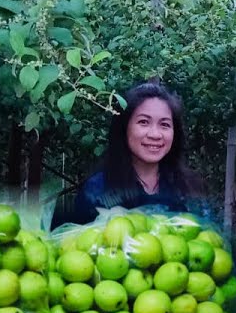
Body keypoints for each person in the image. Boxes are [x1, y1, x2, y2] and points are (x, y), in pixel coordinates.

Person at [50, 81, 201, 229]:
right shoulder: (98, 191)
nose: (155, 134)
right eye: (143, 122)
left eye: (164, 124)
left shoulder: (188, 190)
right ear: (124, 128)